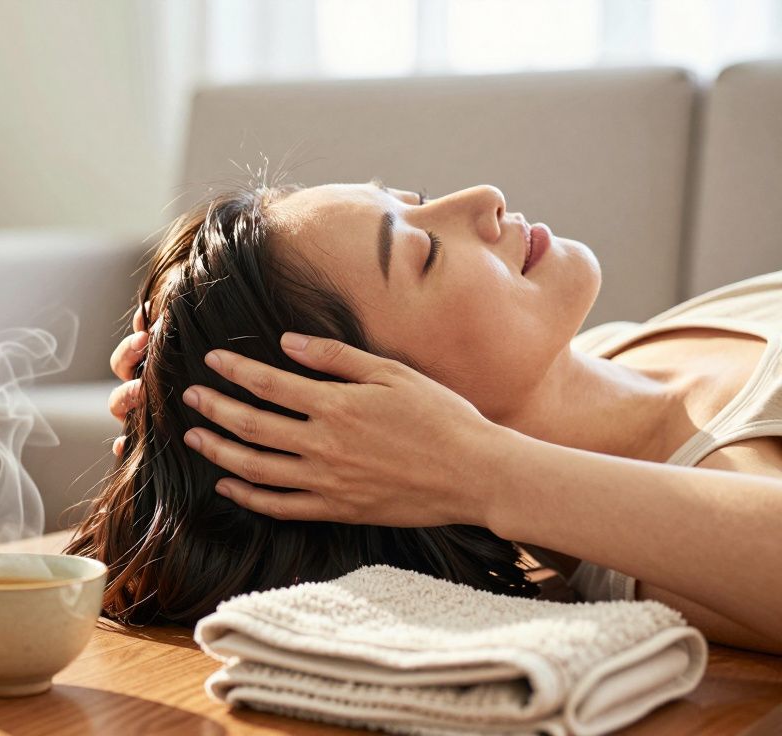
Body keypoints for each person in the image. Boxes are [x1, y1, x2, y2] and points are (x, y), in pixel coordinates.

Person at [65, 180, 782, 655]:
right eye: (425, 252)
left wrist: (177, 374)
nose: (484, 198)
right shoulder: (674, 551)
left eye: (416, 200)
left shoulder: (615, 347)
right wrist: (478, 472)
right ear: (374, 420)